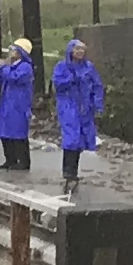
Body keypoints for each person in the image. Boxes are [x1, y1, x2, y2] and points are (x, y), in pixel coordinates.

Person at [50, 35, 105, 190]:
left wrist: (98, 105)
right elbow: (58, 85)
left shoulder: (89, 67)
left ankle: (72, 171)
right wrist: (71, 79)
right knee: (71, 138)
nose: (80, 52)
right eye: (77, 49)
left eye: (82, 49)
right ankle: (69, 172)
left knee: (81, 139)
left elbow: (97, 86)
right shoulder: (62, 67)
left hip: (85, 108)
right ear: (70, 50)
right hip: (68, 106)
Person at [0, 39, 36, 170]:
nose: (11, 52)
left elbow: (13, 77)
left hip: (19, 104)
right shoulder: (11, 66)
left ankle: (23, 161)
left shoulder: (25, 67)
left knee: (18, 133)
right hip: (7, 102)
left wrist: (3, 66)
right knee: (5, 132)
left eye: (14, 50)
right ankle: (10, 159)